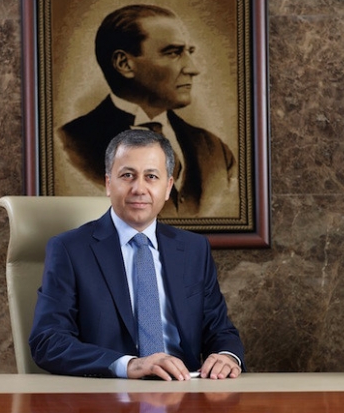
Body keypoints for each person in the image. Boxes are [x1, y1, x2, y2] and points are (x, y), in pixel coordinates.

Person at [30, 129, 244, 380]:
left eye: (151, 176)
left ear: (168, 187)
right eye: (127, 175)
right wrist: (128, 365)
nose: (139, 188)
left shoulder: (194, 249)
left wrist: (226, 356)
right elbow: (48, 341)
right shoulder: (69, 249)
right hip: (108, 392)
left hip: (185, 389)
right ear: (108, 184)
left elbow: (220, 330)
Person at [57, 4, 237, 218]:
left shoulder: (215, 151)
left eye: (189, 52)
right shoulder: (70, 146)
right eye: (173, 53)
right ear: (124, 63)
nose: (193, 69)